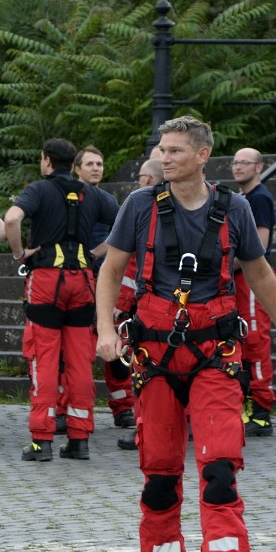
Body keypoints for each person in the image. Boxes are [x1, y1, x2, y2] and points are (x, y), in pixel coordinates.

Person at [96, 115, 276, 552]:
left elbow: (260, 273)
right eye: (161, 150)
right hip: (156, 357)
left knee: (219, 470)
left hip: (215, 356)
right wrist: (105, 329)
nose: (164, 157)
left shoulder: (235, 210)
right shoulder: (140, 206)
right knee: (161, 472)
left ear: (202, 155)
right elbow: (112, 268)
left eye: (175, 151)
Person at [4, 138, 116, 462]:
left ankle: (42, 441)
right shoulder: (92, 193)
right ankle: (79, 440)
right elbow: (125, 224)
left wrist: (18, 254)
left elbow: (12, 219)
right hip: (83, 280)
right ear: (74, 164)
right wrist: (96, 253)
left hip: (47, 282)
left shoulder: (38, 190)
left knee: (44, 358)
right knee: (81, 361)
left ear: (47, 161)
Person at [73, 146, 133, 429]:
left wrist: (95, 254)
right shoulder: (67, 198)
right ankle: (71, 412)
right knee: (76, 351)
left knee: (116, 349)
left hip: (105, 280)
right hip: (73, 282)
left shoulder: (107, 201)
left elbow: (123, 236)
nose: (96, 168)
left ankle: (123, 407)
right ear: (77, 168)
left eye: (99, 163)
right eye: (90, 164)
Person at [117, 158, 165, 452]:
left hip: (150, 307)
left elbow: (131, 266)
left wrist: (119, 305)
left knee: (147, 370)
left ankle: (145, 428)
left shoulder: (144, 210)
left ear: (148, 180)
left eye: (139, 176)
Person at [231, 148, 276, 437]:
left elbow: (258, 247)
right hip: (238, 278)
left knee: (255, 340)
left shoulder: (259, 198)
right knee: (242, 339)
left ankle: (261, 412)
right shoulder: (242, 199)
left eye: (244, 163)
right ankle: (248, 405)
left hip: (250, 278)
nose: (237, 167)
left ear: (259, 167)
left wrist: (221, 263)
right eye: (235, 162)